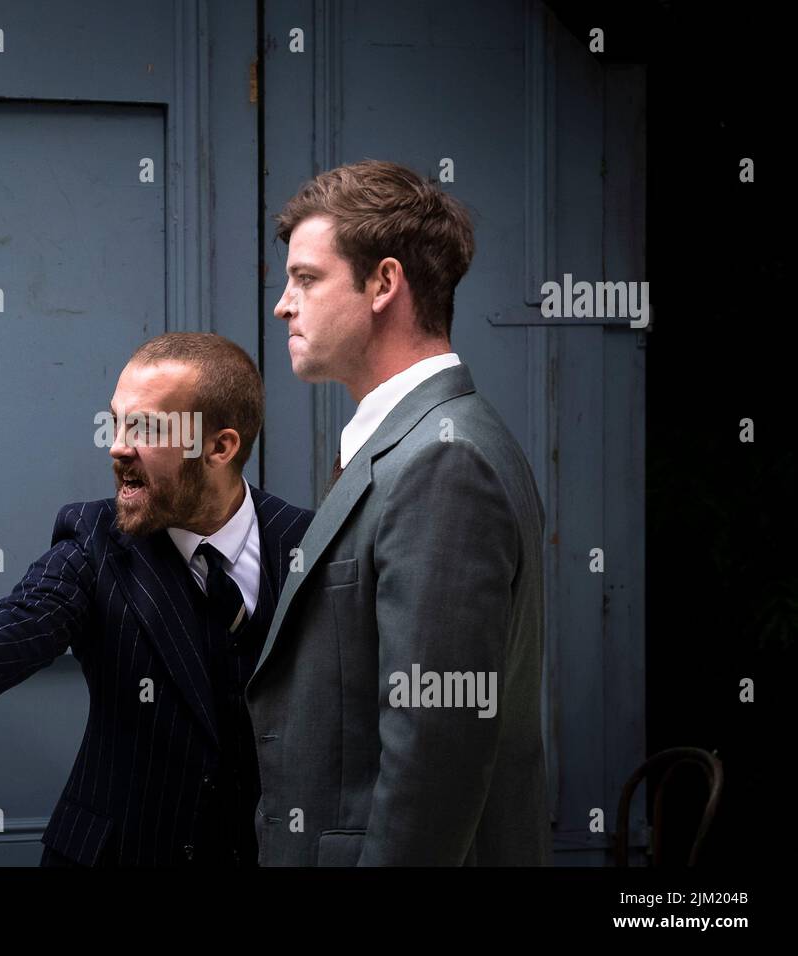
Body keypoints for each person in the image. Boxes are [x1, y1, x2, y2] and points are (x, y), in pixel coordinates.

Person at [0, 333, 312, 866]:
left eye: (148, 428)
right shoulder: (93, 540)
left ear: (220, 447)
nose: (117, 446)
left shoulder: (308, 542)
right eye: (117, 422)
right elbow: (29, 614)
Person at [248, 159, 551, 865]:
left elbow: (434, 748)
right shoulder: (418, 443)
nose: (283, 305)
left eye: (307, 279)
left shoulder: (444, 460)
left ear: (384, 283)